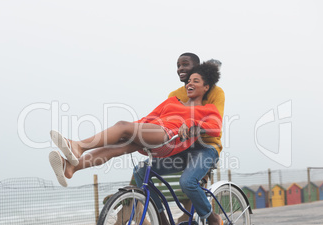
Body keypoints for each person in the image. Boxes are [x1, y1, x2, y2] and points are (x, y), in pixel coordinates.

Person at [49, 61, 222, 191]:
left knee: (122, 126)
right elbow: (149, 118)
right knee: (115, 147)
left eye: (196, 81)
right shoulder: (172, 101)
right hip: (152, 134)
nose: (190, 84)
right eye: (189, 81)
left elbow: (216, 128)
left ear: (206, 87)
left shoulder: (207, 109)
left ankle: (79, 146)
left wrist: (192, 124)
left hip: (169, 138)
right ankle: (72, 167)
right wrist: (132, 129)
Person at [133, 53, 225, 225]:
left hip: (206, 147)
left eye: (186, 65)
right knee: (141, 171)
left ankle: (213, 219)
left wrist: (194, 126)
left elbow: (215, 124)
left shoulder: (215, 92)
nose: (181, 69)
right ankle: (163, 223)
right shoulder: (174, 95)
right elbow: (165, 121)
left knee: (187, 182)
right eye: (178, 65)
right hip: (181, 147)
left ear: (198, 69)